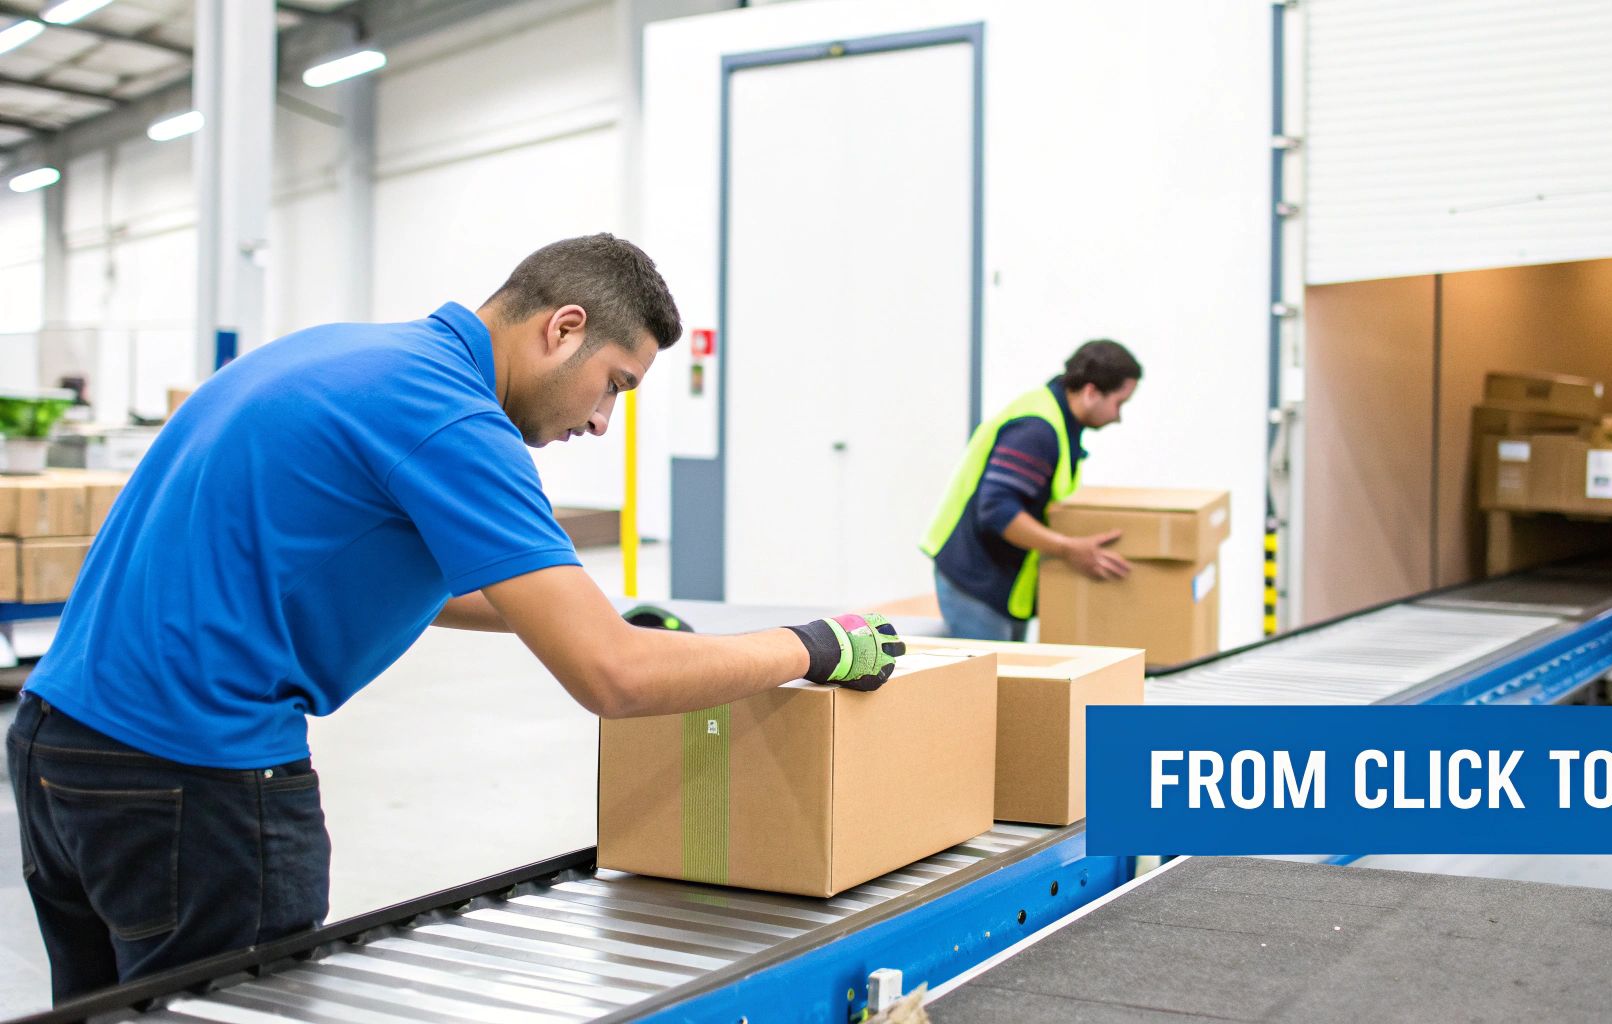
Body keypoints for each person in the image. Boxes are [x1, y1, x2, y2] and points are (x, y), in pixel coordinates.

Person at [6, 234, 904, 1001]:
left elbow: (379, 571)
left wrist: (580, 614)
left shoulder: (349, 355)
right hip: (191, 781)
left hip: (60, 749)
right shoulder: (452, 419)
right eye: (613, 386)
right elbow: (614, 679)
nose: (602, 421)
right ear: (564, 328)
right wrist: (810, 647)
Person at [921, 339, 1142, 641]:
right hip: (977, 580)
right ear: (1091, 392)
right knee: (986, 672)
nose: (1118, 417)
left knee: (1009, 670)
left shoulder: (1059, 420)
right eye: (1119, 403)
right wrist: (1068, 548)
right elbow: (997, 511)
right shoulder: (1037, 431)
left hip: (1002, 581)